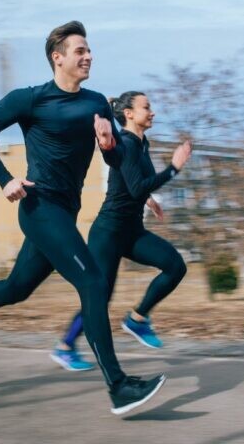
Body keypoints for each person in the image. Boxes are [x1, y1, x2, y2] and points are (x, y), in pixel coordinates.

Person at [0, 21, 165, 415]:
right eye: (80, 51)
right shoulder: (30, 100)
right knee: (93, 282)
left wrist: (110, 147)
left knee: (16, 288)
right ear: (58, 57)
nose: (89, 56)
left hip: (65, 212)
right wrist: (5, 179)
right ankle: (118, 386)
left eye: (89, 50)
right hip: (39, 207)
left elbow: (117, 159)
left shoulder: (97, 104)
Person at [49, 91, 192, 367]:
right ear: (129, 114)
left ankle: (137, 319)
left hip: (132, 231)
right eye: (146, 107)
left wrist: (148, 200)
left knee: (176, 266)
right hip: (109, 233)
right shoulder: (126, 143)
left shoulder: (141, 143)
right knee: (100, 297)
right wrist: (174, 167)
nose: (152, 112)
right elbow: (137, 185)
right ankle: (65, 346)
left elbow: (130, 182)